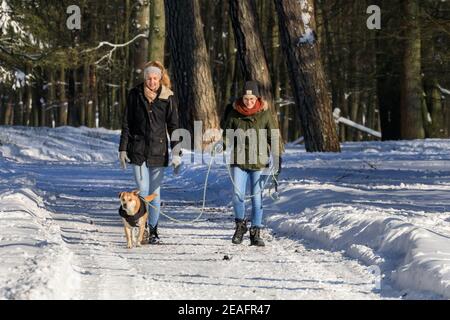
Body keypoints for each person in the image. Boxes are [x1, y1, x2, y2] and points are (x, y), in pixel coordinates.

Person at [118, 60, 181, 244]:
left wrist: (176, 152)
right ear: (145, 78)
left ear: (160, 78)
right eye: (149, 78)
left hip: (159, 151)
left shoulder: (168, 97)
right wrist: (122, 148)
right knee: (143, 190)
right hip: (137, 151)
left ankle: (153, 230)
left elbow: (174, 126)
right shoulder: (134, 95)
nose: (152, 81)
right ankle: (142, 228)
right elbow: (127, 124)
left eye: (155, 78)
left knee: (155, 192)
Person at [220, 80, 281, 247]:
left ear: (257, 98)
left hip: (259, 162)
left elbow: (273, 136)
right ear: (243, 97)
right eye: (246, 98)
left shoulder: (264, 114)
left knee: (256, 198)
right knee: (237, 196)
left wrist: (277, 157)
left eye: (252, 99)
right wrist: (221, 145)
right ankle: (240, 226)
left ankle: (256, 232)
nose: (249, 102)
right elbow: (227, 134)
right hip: (238, 160)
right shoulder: (234, 113)